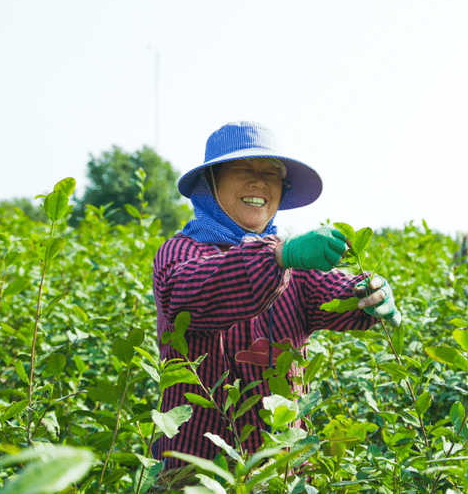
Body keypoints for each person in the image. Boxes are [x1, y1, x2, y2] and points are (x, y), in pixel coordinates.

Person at [152, 121, 400, 469]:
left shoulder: (291, 262)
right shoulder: (179, 252)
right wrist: (278, 256)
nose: (260, 182)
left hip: (281, 469)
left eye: (272, 174)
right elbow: (192, 294)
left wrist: (368, 295)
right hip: (194, 471)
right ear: (210, 183)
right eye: (243, 169)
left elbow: (331, 290)